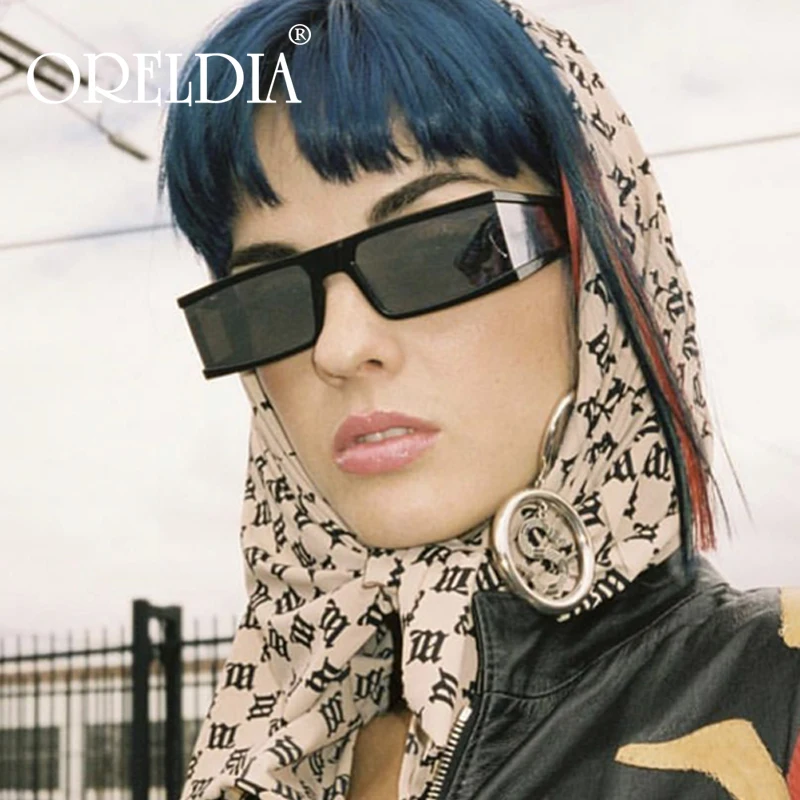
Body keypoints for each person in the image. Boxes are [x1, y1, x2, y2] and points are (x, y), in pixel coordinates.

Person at [160, 0, 800, 798]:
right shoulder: (269, 741)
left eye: (440, 248)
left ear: (598, 272)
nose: (339, 347)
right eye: (268, 294)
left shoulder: (781, 700)